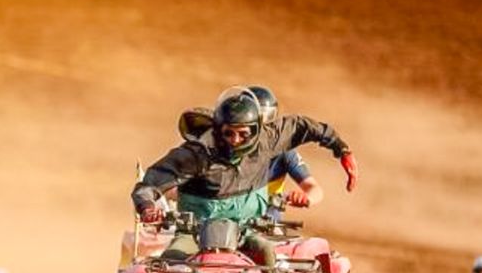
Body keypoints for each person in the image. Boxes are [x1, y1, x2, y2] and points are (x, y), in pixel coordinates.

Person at [134, 86, 358, 259]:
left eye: (242, 134)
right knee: (172, 260)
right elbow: (149, 184)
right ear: (217, 129)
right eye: (228, 134)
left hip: (247, 231)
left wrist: (342, 149)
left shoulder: (268, 141)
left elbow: (305, 126)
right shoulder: (195, 155)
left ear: (257, 129)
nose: (235, 141)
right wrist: (148, 207)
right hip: (194, 233)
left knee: (269, 259)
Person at [247, 86, 325, 214]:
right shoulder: (220, 149)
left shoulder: (284, 153)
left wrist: (306, 198)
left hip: (265, 228)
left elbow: (315, 189)